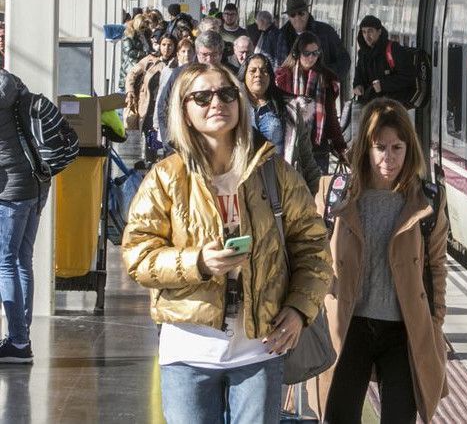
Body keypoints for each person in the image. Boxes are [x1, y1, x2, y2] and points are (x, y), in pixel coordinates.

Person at [122, 62, 333, 423]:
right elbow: (138, 256)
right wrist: (198, 263)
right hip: (188, 351)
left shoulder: (274, 171)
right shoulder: (166, 177)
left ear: (240, 102)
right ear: (184, 111)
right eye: (201, 97)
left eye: (226, 93)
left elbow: (313, 248)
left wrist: (299, 309)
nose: (216, 102)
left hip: (259, 350)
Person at [315, 98, 449, 423]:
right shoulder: (335, 193)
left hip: (403, 330)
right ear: (365, 148)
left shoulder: (428, 199)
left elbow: (436, 265)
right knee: (339, 416)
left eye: (397, 148)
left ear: (409, 149)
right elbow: (313, 258)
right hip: (348, 325)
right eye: (380, 147)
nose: (388, 158)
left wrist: (435, 322)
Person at [0, 69, 49, 363]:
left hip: (12, 189)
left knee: (5, 261)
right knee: (21, 259)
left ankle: (19, 340)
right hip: (37, 182)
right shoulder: (13, 82)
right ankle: (22, 339)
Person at [240, 53, 320, 194]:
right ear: (244, 75)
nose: (258, 74)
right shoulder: (233, 107)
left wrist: (314, 191)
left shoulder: (288, 109)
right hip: (243, 184)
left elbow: (305, 154)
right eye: (253, 71)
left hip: (280, 184)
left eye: (264, 71)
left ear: (271, 77)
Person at [275, 32, 347, 174]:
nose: (312, 58)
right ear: (297, 53)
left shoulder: (327, 78)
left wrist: (340, 147)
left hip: (317, 148)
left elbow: (331, 116)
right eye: (307, 53)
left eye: (315, 53)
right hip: (289, 146)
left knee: (316, 193)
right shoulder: (283, 77)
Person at [156, 31, 233, 151]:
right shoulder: (180, 74)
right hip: (184, 143)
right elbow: (163, 107)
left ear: (221, 54)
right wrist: (170, 142)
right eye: (204, 55)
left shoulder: (229, 76)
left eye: (214, 55)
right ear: (197, 53)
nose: (209, 60)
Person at [275, 0, 351, 85]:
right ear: (289, 17)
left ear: (308, 13)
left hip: (321, 90)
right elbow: (278, 67)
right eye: (293, 15)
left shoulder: (326, 32)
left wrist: (326, 76)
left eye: (301, 13)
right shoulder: (281, 36)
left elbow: (344, 59)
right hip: (291, 91)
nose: (297, 18)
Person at [125, 33, 178, 161]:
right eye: (164, 45)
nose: (166, 48)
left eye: (170, 45)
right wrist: (130, 91)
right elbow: (132, 74)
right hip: (149, 106)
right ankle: (151, 164)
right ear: (159, 45)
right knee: (151, 139)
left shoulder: (177, 63)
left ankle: (166, 163)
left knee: (168, 139)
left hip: (169, 108)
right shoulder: (150, 60)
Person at [352, 15, 417, 107]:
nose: (367, 36)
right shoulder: (363, 53)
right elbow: (359, 75)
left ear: (379, 31)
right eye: (364, 32)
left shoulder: (393, 49)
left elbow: (408, 76)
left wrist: (383, 85)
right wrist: (357, 86)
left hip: (392, 106)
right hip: (370, 105)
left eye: (370, 31)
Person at [120, 14, 152, 91]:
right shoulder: (129, 35)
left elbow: (148, 48)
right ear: (137, 25)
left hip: (143, 67)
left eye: (145, 27)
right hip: (131, 67)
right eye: (142, 27)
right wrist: (145, 54)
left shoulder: (145, 35)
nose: (144, 29)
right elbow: (130, 52)